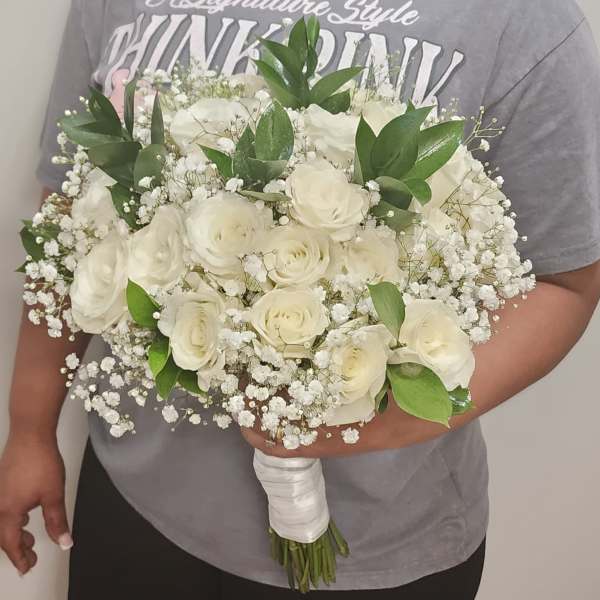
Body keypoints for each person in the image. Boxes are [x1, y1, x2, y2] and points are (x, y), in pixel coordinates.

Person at [1, 1, 600, 598]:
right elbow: (71, 217)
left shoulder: (520, 20)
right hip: (139, 502)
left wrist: (359, 426)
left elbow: (567, 281)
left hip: (379, 542)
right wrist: (29, 428)